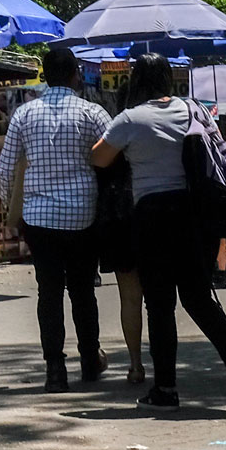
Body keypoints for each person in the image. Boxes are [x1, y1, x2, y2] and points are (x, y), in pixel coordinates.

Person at [91, 55, 226, 411]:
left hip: (152, 216)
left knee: (160, 304)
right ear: (169, 80)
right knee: (199, 297)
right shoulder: (194, 110)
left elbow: (99, 158)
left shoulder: (131, 118)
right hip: (195, 212)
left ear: (137, 81)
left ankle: (165, 389)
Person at [0, 47, 110, 392]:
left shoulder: (24, 115)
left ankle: (55, 369)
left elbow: (6, 169)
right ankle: (90, 359)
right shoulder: (92, 113)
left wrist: (11, 209)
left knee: (48, 292)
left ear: (44, 75)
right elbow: (115, 153)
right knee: (82, 291)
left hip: (39, 218)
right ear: (76, 74)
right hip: (83, 216)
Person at [91, 127, 146, 382]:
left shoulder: (114, 141)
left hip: (122, 223)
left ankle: (136, 364)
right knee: (161, 302)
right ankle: (165, 367)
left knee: (130, 300)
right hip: (155, 216)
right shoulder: (160, 139)